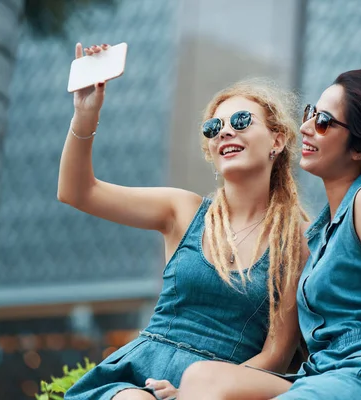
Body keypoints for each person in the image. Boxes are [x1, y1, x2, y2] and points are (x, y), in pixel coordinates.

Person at [178, 68, 361, 400]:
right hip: (329, 371)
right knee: (201, 380)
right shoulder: (318, 237)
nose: (306, 127)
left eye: (323, 121)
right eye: (310, 113)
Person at [59, 43, 309, 400]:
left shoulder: (296, 238)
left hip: (220, 387)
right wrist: (86, 114)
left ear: (277, 139)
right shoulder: (183, 210)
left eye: (240, 122)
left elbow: (275, 354)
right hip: (139, 376)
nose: (225, 132)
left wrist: (191, 390)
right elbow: (77, 191)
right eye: (213, 127)